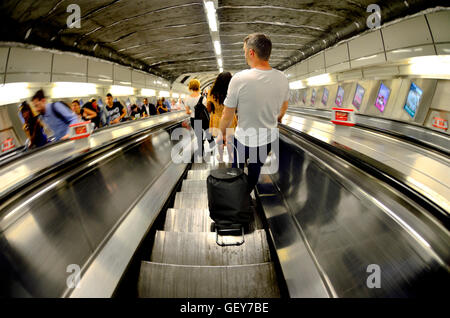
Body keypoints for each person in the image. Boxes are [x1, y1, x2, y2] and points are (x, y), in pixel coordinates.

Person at [218, 33, 289, 192]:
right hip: (267, 138)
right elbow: (284, 107)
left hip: (243, 138)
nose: (244, 54)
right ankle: (247, 193)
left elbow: (227, 115)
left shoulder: (239, 78)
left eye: (244, 51)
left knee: (236, 170)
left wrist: (221, 134)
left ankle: (236, 197)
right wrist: (276, 118)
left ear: (251, 52)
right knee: (255, 169)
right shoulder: (282, 78)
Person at [207, 71, 237, 161]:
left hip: (216, 118)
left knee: (220, 139)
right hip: (230, 118)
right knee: (230, 140)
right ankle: (231, 158)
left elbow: (208, 108)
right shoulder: (232, 91)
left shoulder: (211, 92)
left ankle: (220, 157)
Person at [184, 79, 209, 159]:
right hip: (203, 119)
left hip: (194, 119)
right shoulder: (202, 98)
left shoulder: (187, 99)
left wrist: (193, 111)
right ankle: (213, 147)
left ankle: (201, 152)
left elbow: (187, 112)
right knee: (208, 133)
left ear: (190, 87)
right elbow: (207, 110)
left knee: (199, 136)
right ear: (198, 86)